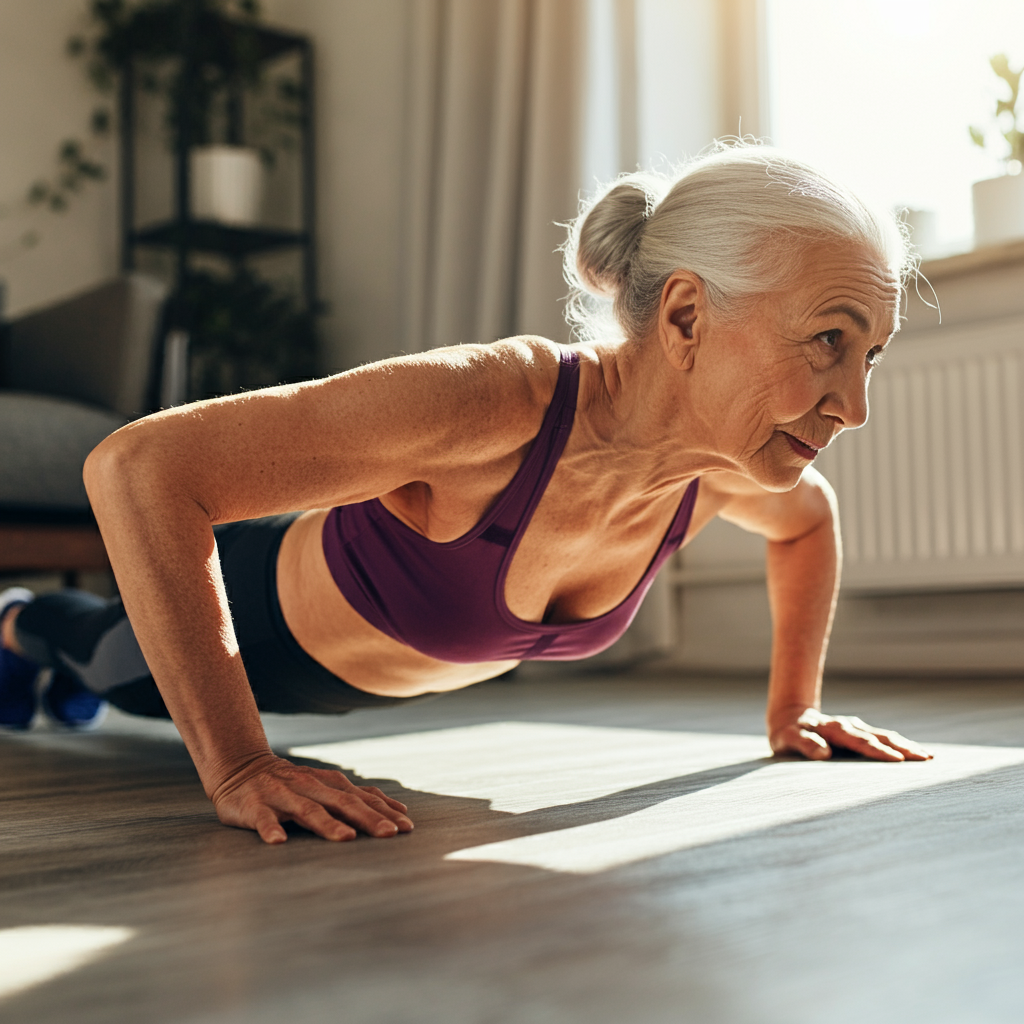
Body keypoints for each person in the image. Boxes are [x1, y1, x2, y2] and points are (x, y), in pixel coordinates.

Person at [0, 144, 932, 846]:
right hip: (255, 627)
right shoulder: (497, 404)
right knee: (95, 658)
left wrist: (793, 711)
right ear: (686, 316)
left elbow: (808, 521)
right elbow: (139, 469)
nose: (853, 406)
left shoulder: (723, 471)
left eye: (871, 356)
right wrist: (240, 764)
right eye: (828, 342)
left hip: (342, 694)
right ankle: (18, 625)